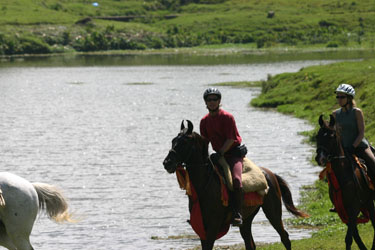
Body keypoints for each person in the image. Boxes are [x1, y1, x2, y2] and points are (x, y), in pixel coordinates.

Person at [199, 87, 244, 226]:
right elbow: (204, 142)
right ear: (205, 102)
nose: (212, 102)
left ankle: (237, 213)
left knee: (236, 180)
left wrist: (219, 153)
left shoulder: (227, 117)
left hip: (232, 154)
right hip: (218, 156)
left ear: (219, 101)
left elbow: (231, 139)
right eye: (209, 99)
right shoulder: (204, 121)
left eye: (214, 99)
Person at [333, 83, 375, 184]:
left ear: (349, 98)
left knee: (373, 164)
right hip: (344, 149)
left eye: (342, 97)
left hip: (360, 147)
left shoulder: (357, 112)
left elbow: (361, 132)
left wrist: (353, 146)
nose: (339, 99)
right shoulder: (335, 114)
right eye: (337, 97)